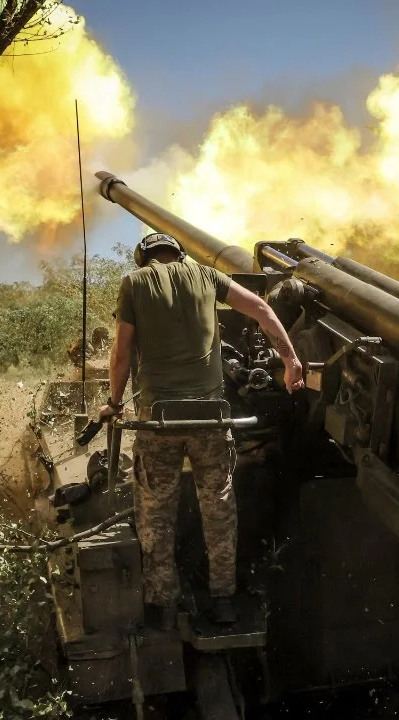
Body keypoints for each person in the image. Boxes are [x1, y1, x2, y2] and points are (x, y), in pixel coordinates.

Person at [98, 233, 304, 629]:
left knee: (156, 513)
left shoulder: (134, 283)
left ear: (143, 257)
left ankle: (164, 604)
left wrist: (114, 401)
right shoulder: (208, 276)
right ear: (179, 254)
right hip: (211, 418)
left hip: (159, 420)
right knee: (219, 509)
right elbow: (262, 308)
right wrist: (291, 359)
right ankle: (223, 600)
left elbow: (122, 352)